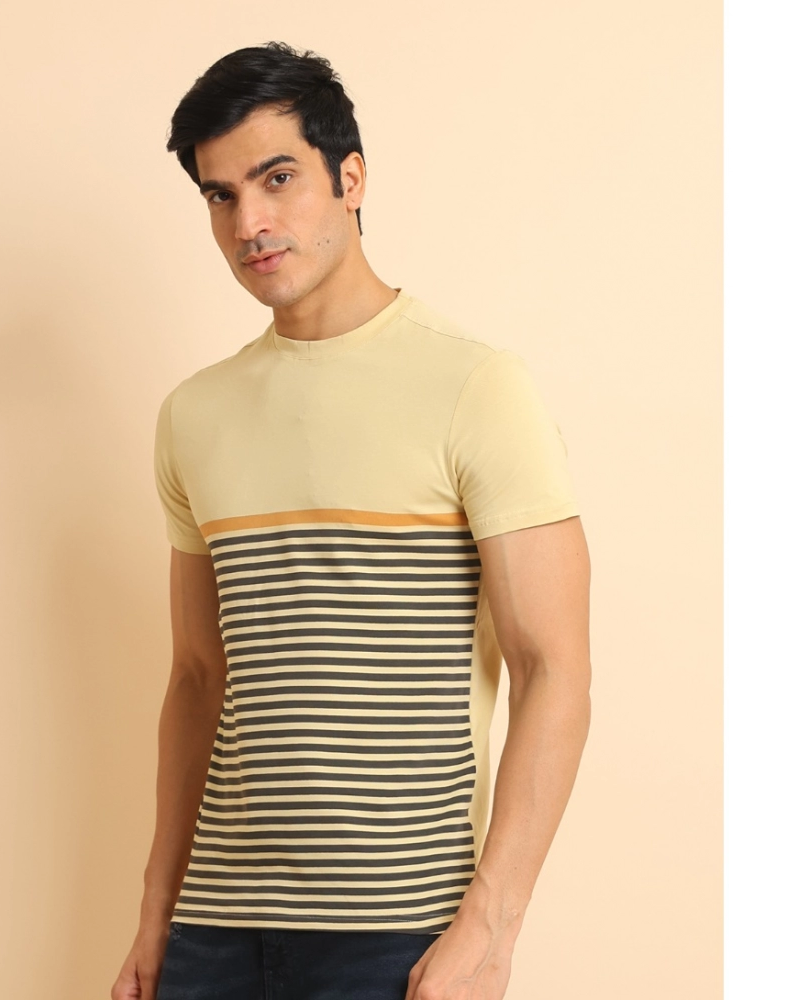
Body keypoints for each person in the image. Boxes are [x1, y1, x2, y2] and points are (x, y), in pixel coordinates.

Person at [111, 41, 592, 1000]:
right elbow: (198, 675)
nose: (249, 223)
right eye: (219, 195)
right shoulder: (193, 415)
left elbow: (554, 668)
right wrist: (157, 914)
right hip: (214, 929)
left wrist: (490, 928)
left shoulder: (474, 386)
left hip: (400, 934)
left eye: (277, 178)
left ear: (352, 178)